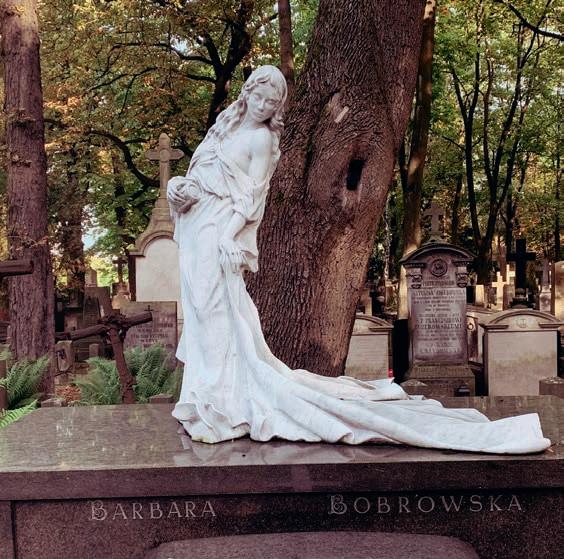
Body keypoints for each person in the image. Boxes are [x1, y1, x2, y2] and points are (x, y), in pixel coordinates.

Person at [167, 66, 550, 454]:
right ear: (247, 92)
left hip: (221, 232)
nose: (263, 106)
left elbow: (251, 196)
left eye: (272, 102)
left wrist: (231, 235)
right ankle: (211, 395)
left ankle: (220, 401)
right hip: (198, 227)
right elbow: (195, 177)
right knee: (203, 312)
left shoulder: (262, 139)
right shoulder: (223, 129)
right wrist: (175, 188)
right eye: (259, 97)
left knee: (215, 311)